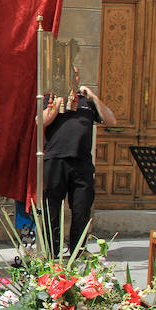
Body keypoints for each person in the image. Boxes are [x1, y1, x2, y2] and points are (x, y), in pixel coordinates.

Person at [42, 67, 116, 255]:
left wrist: (93, 97)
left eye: (75, 74)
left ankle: (78, 250)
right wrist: (58, 102)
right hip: (56, 160)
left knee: (82, 209)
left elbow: (111, 120)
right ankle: (52, 252)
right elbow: (39, 122)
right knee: (52, 208)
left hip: (81, 163)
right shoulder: (50, 97)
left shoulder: (87, 102)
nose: (72, 78)